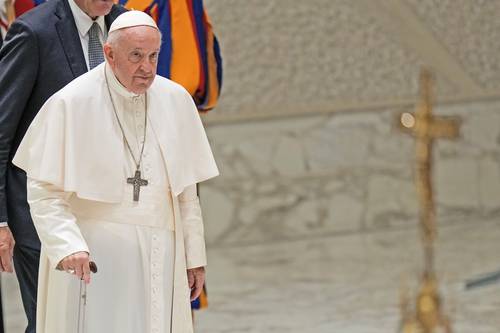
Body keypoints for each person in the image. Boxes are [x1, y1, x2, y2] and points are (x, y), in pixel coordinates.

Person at [12, 10, 218, 332]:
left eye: (153, 56)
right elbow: (44, 191)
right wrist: (68, 245)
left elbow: (186, 193)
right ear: (109, 53)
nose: (147, 67)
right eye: (136, 56)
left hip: (161, 255)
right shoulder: (72, 102)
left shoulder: (176, 100)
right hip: (96, 260)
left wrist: (194, 256)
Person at [0, 0, 125, 331]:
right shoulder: (33, 31)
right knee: (52, 320)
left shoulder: (127, 24)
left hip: (110, 210)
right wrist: (0, 220)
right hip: (40, 210)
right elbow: (1, 130)